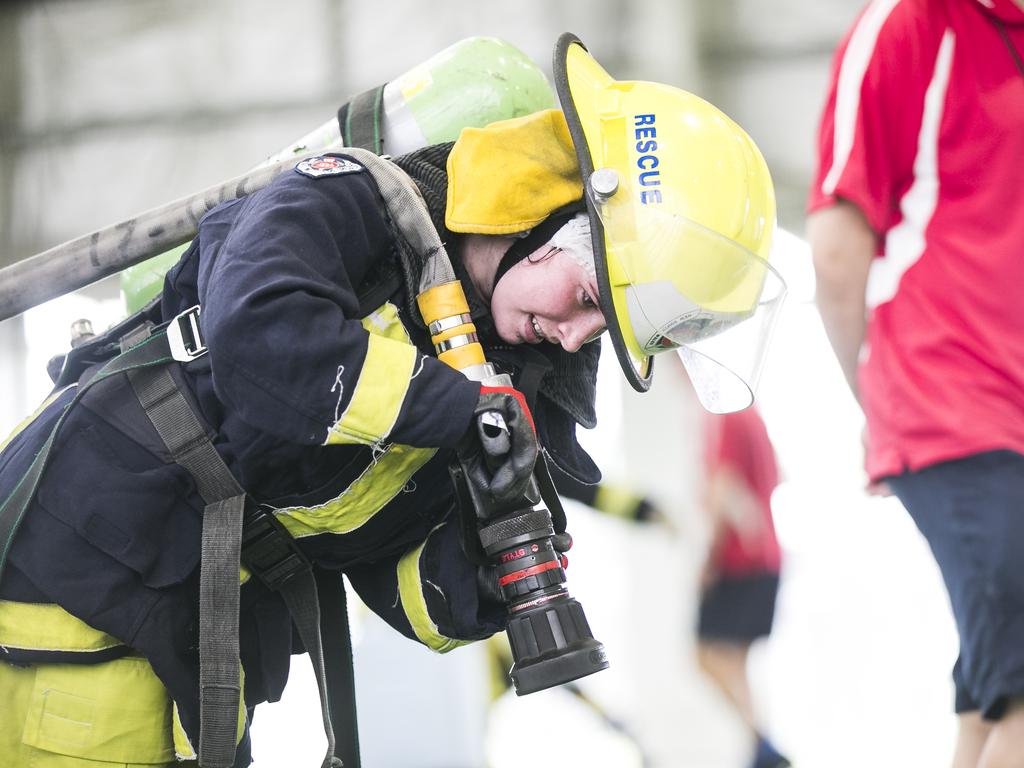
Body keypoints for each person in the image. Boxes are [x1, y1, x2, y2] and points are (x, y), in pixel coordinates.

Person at [0, 33, 783, 768]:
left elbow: (382, 574)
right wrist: (458, 412)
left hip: (195, 662)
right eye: (585, 295)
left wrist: (485, 573)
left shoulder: (488, 377)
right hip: (69, 598)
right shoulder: (346, 203)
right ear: (545, 216)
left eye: (601, 329)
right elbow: (261, 337)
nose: (575, 336)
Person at [807, 2, 1024, 766]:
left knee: (992, 698)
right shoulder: (913, 23)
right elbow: (836, 248)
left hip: (991, 412)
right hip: (952, 396)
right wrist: (875, 397)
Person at [696, 405, 787, 768]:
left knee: (705, 656)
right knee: (735, 663)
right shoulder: (755, 418)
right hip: (768, 556)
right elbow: (778, 474)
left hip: (740, 560)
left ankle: (762, 746)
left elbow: (724, 489)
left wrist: (708, 560)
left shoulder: (727, 416)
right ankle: (758, 752)